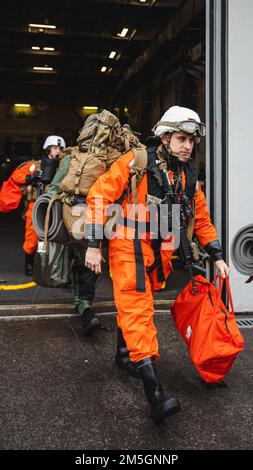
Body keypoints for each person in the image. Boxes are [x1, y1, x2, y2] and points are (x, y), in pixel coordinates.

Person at [84, 105, 229, 424]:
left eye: (191, 141)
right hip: (127, 245)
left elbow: (200, 217)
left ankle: (125, 355)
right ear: (164, 138)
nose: (187, 146)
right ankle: (155, 394)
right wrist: (94, 245)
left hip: (159, 250)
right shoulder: (135, 162)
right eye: (181, 138)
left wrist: (217, 255)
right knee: (138, 311)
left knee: (138, 304)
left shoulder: (187, 174)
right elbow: (98, 197)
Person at [46, 147, 101, 336]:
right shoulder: (102, 159)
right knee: (86, 264)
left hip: (73, 219)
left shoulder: (72, 157)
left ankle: (83, 304)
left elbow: (53, 188)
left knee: (79, 260)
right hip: (94, 220)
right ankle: (84, 304)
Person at [10, 135, 66, 275]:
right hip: (36, 206)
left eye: (60, 148)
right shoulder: (36, 165)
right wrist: (30, 177)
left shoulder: (65, 166)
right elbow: (16, 176)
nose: (57, 151)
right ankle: (29, 264)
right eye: (54, 148)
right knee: (32, 237)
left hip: (58, 205)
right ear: (48, 149)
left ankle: (49, 266)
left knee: (57, 236)